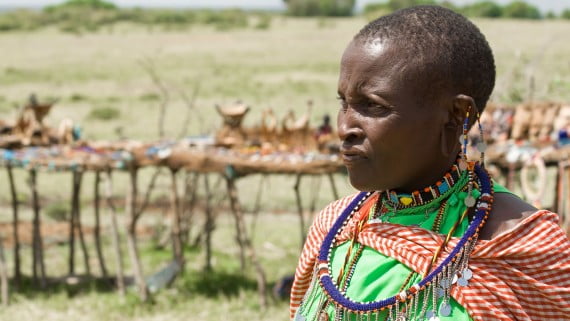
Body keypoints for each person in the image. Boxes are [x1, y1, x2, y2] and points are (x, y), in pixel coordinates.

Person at [290, 6, 570, 321]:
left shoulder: (520, 244)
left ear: (457, 116)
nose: (345, 128)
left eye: (373, 106)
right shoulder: (335, 226)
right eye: (345, 103)